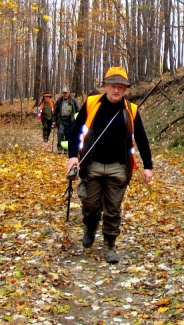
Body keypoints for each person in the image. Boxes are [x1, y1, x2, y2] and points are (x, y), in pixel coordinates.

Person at [66, 67, 153, 264]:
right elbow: (75, 130)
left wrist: (148, 166)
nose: (116, 91)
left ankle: (110, 243)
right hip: (92, 165)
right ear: (105, 86)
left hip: (118, 167)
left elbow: (142, 138)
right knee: (90, 205)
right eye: (113, 86)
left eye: (121, 87)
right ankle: (90, 226)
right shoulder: (91, 104)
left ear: (125, 89)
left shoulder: (131, 110)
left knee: (113, 209)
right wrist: (73, 156)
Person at [52, 87, 79, 154]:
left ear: (68, 93)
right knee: (60, 133)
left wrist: (77, 119)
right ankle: (60, 148)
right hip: (61, 120)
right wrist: (54, 121)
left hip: (70, 120)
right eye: (64, 93)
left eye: (66, 93)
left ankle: (66, 149)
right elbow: (55, 111)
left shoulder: (73, 100)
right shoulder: (59, 100)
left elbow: (78, 111)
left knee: (68, 135)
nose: (65, 94)